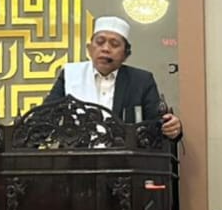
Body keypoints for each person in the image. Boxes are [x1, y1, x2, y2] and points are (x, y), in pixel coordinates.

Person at [45, 15, 183, 139]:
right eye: (100, 42)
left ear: (125, 55)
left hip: (126, 157)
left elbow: (157, 126)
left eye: (114, 44)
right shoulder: (70, 74)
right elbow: (44, 119)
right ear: (89, 49)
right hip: (77, 156)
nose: (105, 49)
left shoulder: (141, 81)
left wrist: (172, 128)